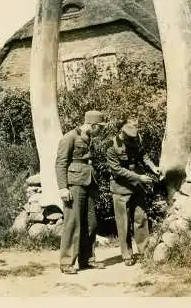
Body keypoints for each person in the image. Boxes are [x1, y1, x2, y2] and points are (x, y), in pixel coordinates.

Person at [55, 110, 107, 274]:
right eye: (100, 127)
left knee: (90, 222)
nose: (101, 131)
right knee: (73, 222)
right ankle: (66, 262)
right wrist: (63, 187)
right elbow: (60, 163)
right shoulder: (69, 137)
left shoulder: (88, 137)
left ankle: (87, 260)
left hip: (89, 182)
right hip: (74, 184)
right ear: (93, 125)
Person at [106, 119, 162, 266]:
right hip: (121, 188)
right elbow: (117, 170)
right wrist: (139, 177)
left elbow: (143, 156)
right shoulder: (112, 146)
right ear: (123, 135)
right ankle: (127, 255)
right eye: (130, 139)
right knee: (123, 222)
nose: (133, 142)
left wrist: (152, 167)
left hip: (137, 186)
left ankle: (144, 251)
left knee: (141, 218)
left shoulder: (137, 139)